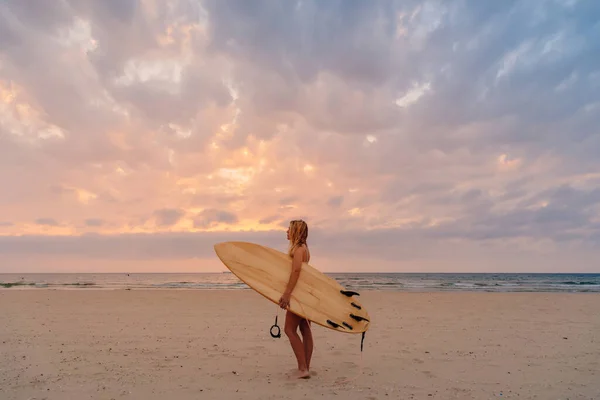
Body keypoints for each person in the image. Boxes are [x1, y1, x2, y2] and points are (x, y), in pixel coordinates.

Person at [278, 219, 313, 379]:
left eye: (288, 229)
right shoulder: (305, 249)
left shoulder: (298, 250)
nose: (286, 231)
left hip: (298, 295)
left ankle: (302, 369)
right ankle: (306, 366)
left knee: (289, 330)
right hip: (306, 294)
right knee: (305, 330)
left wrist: (287, 294)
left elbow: (296, 272)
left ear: (295, 231)